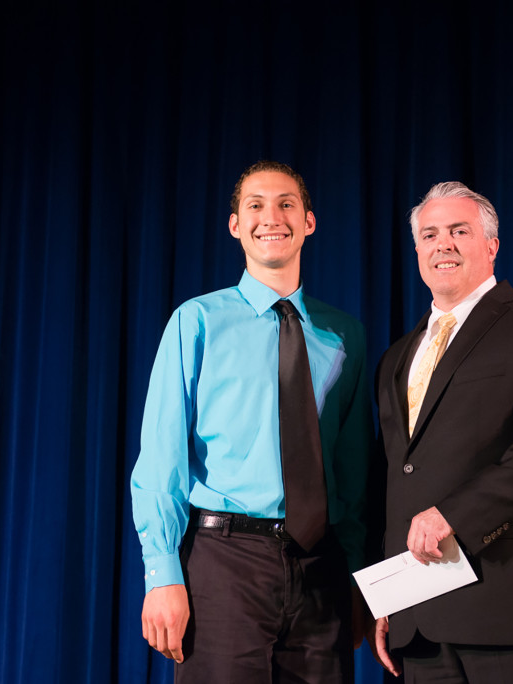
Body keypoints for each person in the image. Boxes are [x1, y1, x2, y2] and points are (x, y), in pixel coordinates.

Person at [131, 160, 372, 682]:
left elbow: (352, 475)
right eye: (256, 206)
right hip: (224, 562)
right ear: (235, 225)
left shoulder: (343, 336)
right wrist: (161, 572)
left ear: (309, 221)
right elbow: (162, 455)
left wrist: (357, 578)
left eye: (287, 204)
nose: (272, 217)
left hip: (321, 572)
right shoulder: (196, 322)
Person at [370, 182, 513, 683]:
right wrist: (386, 595)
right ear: (417, 251)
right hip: (418, 627)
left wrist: (453, 514)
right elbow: (397, 476)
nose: (444, 244)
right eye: (430, 234)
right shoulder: (395, 357)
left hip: (512, 612)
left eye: (460, 230)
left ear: (492, 245)